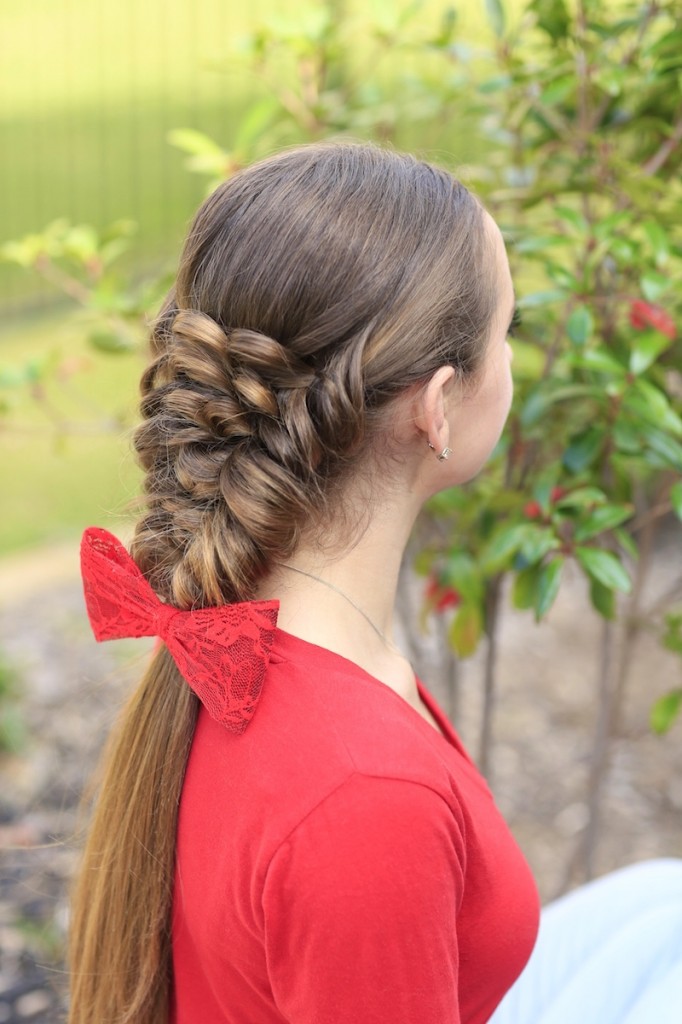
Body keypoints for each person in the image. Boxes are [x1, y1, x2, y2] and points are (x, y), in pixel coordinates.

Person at [68, 142, 682, 1024]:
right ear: (437, 406)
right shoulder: (363, 803)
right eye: (505, 333)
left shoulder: (262, 628)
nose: (511, 362)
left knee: (667, 905)